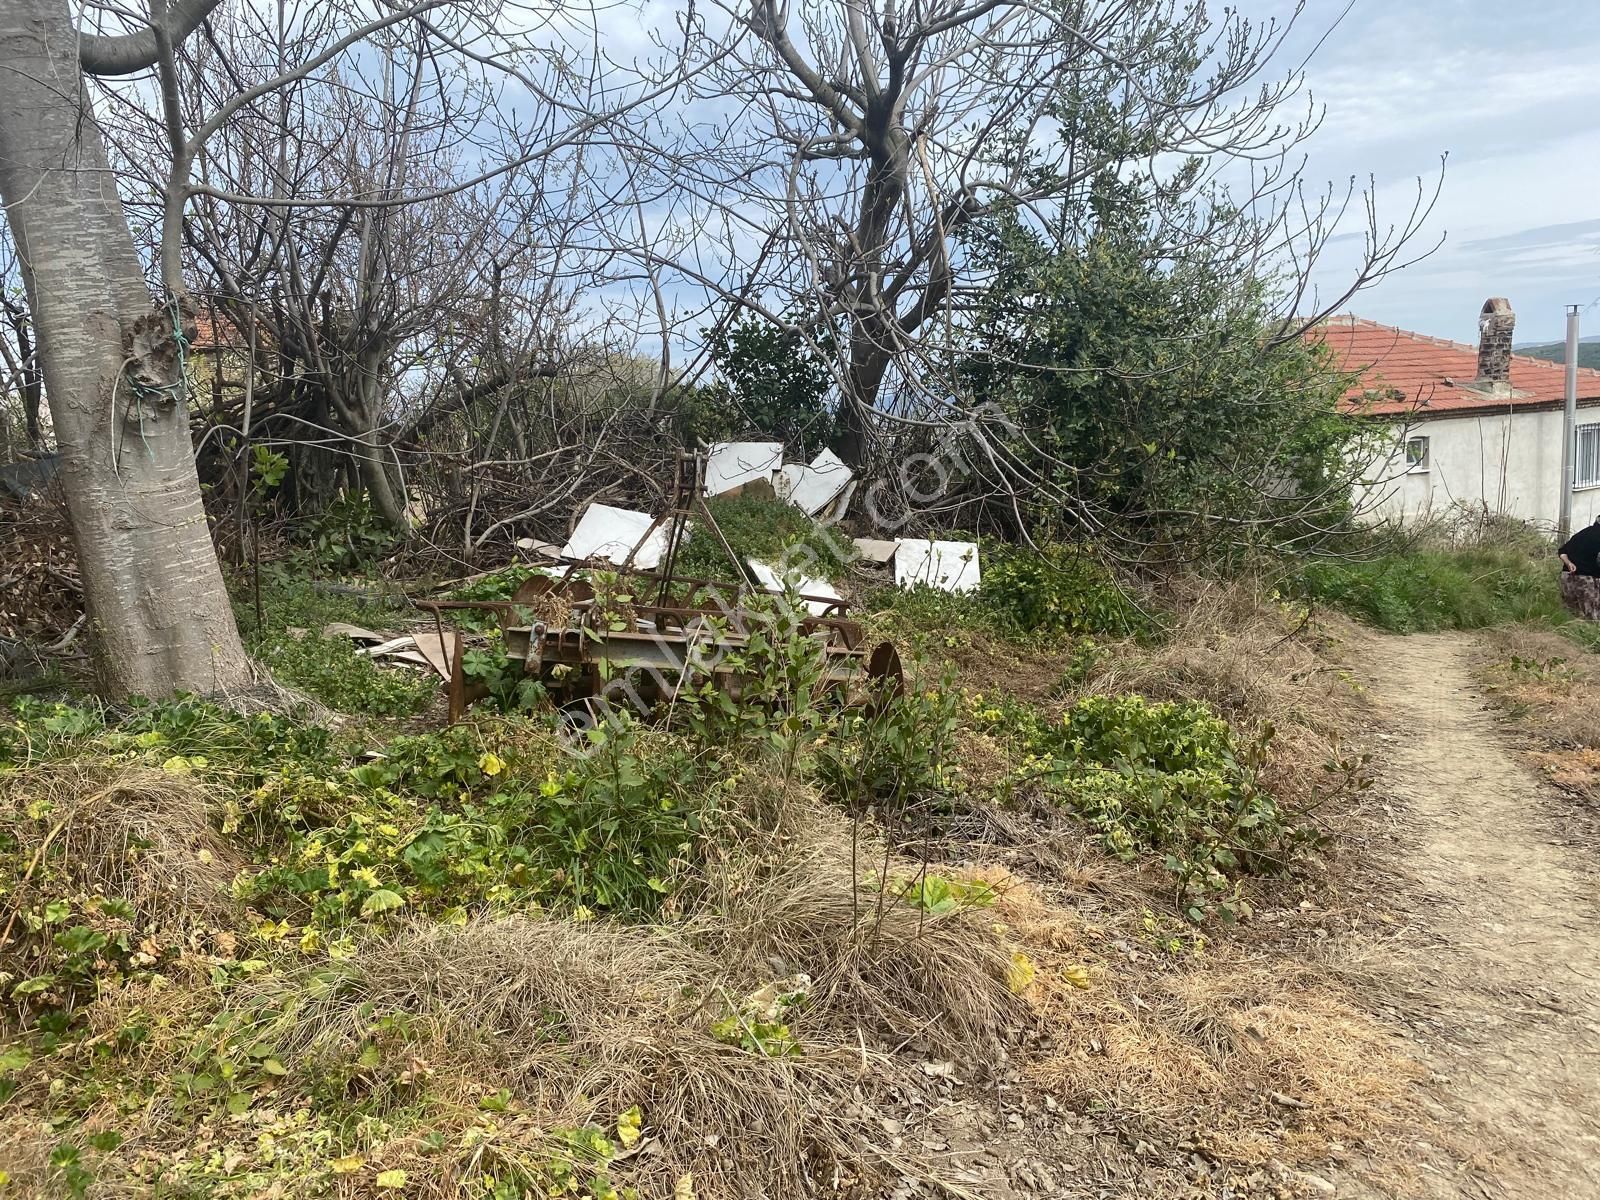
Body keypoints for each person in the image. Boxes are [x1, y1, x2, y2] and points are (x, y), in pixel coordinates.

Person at [1558, 516, 1600, 618]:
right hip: (1586, 582)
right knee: (1592, 618)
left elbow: (1562, 551)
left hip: (1567, 578)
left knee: (1570, 616)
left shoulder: (1583, 533)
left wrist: (1569, 563)